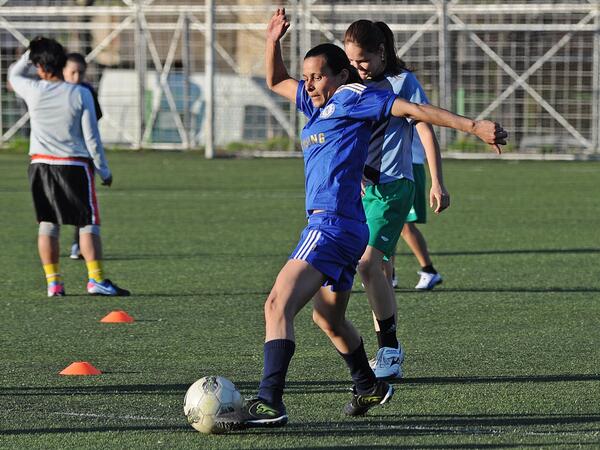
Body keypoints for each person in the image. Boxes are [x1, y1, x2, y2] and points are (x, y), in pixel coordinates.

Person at [214, 9, 506, 431]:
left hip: (330, 225)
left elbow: (416, 110)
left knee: (277, 303)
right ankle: (367, 384)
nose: (309, 83)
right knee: (327, 318)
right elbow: (276, 80)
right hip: (343, 226)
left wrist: (474, 126)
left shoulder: (357, 97)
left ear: (340, 74)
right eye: (307, 76)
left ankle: (269, 401)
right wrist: (272, 39)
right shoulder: (316, 105)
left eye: (317, 75)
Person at [343, 19, 494, 379]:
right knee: (375, 268)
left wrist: (437, 182)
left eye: (362, 59)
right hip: (362, 189)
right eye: (351, 60)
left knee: (368, 265)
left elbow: (425, 126)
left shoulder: (403, 82)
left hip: (395, 186)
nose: (357, 67)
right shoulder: (352, 82)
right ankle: (385, 345)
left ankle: (390, 350)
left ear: (381, 53)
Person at [8, 37, 129, 297]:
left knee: (47, 224)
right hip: (74, 165)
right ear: (63, 63)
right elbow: (91, 137)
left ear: (39, 66)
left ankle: (54, 283)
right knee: (87, 223)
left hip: (40, 165)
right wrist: (103, 170)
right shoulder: (80, 93)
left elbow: (14, 73)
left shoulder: (33, 89)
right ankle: (95, 279)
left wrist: (30, 52)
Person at [63, 52, 103, 260]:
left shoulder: (86, 91)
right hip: (54, 157)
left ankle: (78, 245)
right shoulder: (52, 90)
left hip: (81, 157)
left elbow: (96, 118)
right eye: (72, 72)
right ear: (63, 71)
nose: (76, 77)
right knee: (53, 209)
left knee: (82, 206)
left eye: (81, 72)